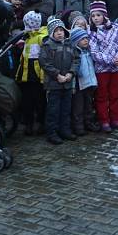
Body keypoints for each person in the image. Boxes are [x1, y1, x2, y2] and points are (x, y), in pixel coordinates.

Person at [88, 1, 118, 132]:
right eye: (93, 15)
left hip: (116, 68)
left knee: (115, 94)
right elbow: (94, 52)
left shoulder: (116, 28)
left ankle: (115, 119)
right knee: (102, 95)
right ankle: (104, 120)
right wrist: (111, 60)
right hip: (102, 69)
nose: (96, 18)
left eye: (98, 15)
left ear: (104, 15)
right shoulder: (91, 32)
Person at [39, 17, 79, 145]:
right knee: (53, 110)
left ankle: (64, 130)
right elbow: (45, 63)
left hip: (67, 83)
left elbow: (76, 60)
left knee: (66, 109)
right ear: (51, 33)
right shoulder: (47, 45)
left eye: (61, 30)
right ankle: (52, 132)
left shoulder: (70, 44)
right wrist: (57, 75)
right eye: (56, 31)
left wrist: (71, 73)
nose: (59, 33)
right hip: (53, 84)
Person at [15, 11, 47, 136]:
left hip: (38, 74)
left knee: (40, 99)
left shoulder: (41, 36)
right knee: (27, 100)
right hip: (25, 73)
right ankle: (29, 123)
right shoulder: (26, 36)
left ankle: (40, 122)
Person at [70, 28, 98, 136]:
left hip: (89, 83)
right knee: (78, 106)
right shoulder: (75, 53)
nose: (86, 40)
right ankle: (78, 126)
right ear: (76, 41)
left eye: (86, 38)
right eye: (82, 39)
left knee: (88, 104)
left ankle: (88, 123)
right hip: (78, 83)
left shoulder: (90, 52)